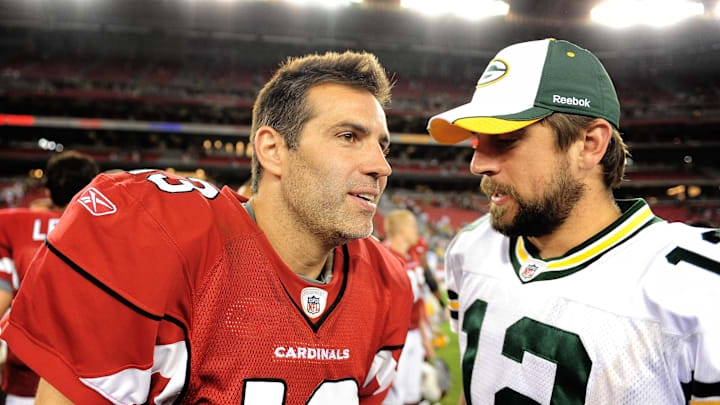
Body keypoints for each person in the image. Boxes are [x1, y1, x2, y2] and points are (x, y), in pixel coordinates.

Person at [1, 51, 413, 404]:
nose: (381, 166)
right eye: (349, 136)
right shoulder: (155, 237)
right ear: (272, 150)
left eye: (382, 144)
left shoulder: (385, 281)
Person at [426, 38, 720, 404]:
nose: (477, 165)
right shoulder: (470, 248)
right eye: (476, 140)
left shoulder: (699, 287)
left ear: (590, 144)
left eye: (504, 139)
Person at [0, 151, 99, 405]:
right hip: (90, 383)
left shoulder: (13, 224)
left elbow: (2, 296)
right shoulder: (108, 230)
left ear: (48, 190)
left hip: (24, 379)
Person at [382, 209, 434, 405]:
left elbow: (418, 303)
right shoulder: (383, 258)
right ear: (401, 230)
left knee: (413, 395)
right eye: (412, 226)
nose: (416, 230)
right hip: (392, 339)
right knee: (393, 397)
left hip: (414, 335)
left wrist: (425, 338)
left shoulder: (413, 255)